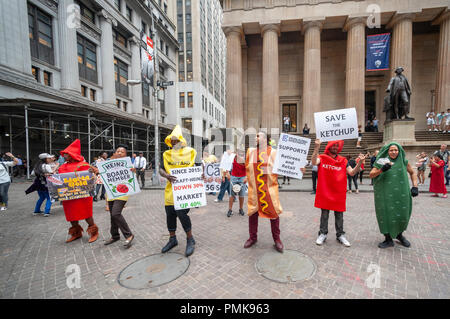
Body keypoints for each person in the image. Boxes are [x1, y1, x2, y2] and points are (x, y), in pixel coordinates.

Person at [311, 139, 365, 247]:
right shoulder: (322, 157)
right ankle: (322, 233)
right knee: (324, 214)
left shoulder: (344, 160)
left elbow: (352, 172)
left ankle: (340, 235)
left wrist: (359, 163)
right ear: (329, 146)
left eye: (337, 146)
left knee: (339, 214)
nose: (335, 147)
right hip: (325, 190)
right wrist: (316, 147)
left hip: (338, 192)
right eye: (333, 145)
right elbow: (313, 162)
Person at [369, 142, 418, 248]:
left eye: (396, 150)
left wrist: (415, 186)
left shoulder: (404, 161)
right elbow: (371, 175)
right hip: (384, 194)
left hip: (402, 193)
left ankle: (400, 235)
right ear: (387, 151)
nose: (394, 152)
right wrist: (382, 169)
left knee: (402, 213)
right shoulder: (381, 162)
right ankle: (388, 239)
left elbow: (413, 173)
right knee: (385, 214)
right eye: (391, 150)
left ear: (399, 151)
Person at [159, 125, 197, 257]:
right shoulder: (166, 154)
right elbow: (160, 169)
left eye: (176, 140)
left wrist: (201, 176)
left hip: (185, 190)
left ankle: (190, 239)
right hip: (171, 189)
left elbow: (198, 168)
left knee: (181, 213)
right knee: (170, 213)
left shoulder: (191, 152)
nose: (174, 142)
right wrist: (166, 176)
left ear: (181, 141)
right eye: (172, 141)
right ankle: (172, 239)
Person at [244, 132, 285, 253]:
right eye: (256, 136)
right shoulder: (250, 152)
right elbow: (247, 167)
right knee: (252, 214)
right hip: (254, 191)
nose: (256, 138)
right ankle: (252, 238)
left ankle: (277, 239)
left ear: (266, 139)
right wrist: (246, 176)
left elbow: (281, 168)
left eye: (259, 136)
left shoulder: (274, 152)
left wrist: (298, 169)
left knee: (274, 214)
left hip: (269, 190)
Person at [58, 139, 99, 243]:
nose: (64, 156)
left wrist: (92, 172)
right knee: (72, 215)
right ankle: (76, 233)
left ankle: (94, 232)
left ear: (72, 155)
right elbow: (59, 180)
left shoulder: (83, 165)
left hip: (83, 195)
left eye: (66, 154)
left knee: (87, 215)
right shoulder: (63, 166)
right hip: (69, 195)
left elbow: (96, 173)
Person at [99, 145, 136, 248]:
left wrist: (134, 171)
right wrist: (95, 171)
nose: (119, 153)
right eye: (118, 151)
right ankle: (115, 236)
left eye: (122, 152)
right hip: (111, 192)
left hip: (123, 192)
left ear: (126, 154)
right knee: (112, 215)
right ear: (115, 153)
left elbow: (132, 177)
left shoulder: (128, 164)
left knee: (116, 213)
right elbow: (102, 175)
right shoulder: (108, 164)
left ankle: (129, 235)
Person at [226, 149, 247, 217]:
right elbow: (227, 165)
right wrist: (227, 173)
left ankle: (241, 209)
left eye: (241, 153)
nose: (240, 155)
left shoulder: (245, 159)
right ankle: (230, 209)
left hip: (242, 177)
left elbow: (249, 169)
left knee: (241, 194)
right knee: (231, 194)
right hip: (234, 177)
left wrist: (246, 177)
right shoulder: (232, 158)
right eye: (239, 153)